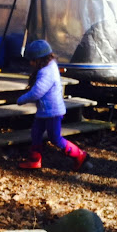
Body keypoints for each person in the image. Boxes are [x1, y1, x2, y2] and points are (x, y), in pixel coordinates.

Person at [16, 39, 88, 170]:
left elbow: (37, 92)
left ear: (40, 59)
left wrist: (22, 99)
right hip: (44, 111)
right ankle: (35, 160)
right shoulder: (47, 67)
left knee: (55, 138)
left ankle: (79, 155)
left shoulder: (47, 72)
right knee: (36, 133)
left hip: (53, 112)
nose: (30, 63)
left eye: (32, 60)